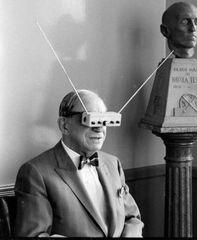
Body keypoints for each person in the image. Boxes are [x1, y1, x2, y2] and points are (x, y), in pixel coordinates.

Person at [14, 89, 144, 237]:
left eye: (105, 120)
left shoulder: (113, 163)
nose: (99, 128)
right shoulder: (36, 172)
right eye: (90, 119)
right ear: (64, 125)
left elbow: (132, 218)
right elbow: (35, 235)